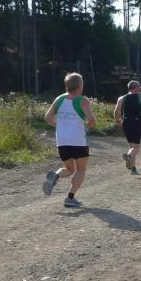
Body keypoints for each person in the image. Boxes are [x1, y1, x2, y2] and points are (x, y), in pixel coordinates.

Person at [42, 72, 97, 207]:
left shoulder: (59, 99)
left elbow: (47, 118)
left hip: (61, 140)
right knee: (81, 169)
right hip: (77, 140)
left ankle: (55, 176)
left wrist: (60, 126)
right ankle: (70, 198)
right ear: (79, 86)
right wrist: (87, 125)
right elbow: (92, 120)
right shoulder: (82, 100)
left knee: (69, 168)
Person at [113, 80, 141, 174]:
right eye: (139, 86)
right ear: (136, 87)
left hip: (126, 123)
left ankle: (133, 168)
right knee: (136, 148)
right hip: (136, 122)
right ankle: (129, 156)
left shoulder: (121, 98)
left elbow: (116, 111)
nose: (140, 87)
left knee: (131, 146)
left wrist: (117, 120)